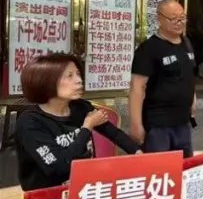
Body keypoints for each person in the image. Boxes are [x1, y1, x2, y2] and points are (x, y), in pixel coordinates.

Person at [15, 53, 140, 191]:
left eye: (78, 74)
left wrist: (138, 152)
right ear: (45, 81)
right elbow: (59, 168)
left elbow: (114, 133)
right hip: (47, 194)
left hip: (84, 186)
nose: (79, 80)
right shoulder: (30, 122)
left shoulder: (80, 107)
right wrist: (87, 127)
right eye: (69, 76)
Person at [128, 0, 197, 156]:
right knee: (159, 167)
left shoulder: (187, 43)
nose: (179, 22)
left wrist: (193, 99)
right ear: (159, 18)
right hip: (158, 125)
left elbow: (189, 74)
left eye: (182, 18)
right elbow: (136, 88)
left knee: (184, 165)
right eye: (173, 18)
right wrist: (136, 124)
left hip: (183, 122)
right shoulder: (148, 49)